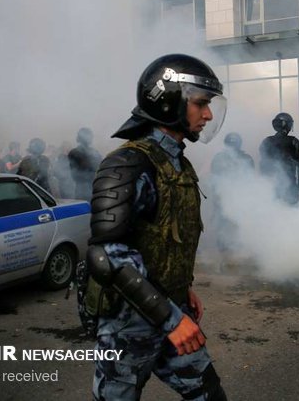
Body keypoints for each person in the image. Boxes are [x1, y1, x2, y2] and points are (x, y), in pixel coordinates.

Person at [82, 54, 228, 401]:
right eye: (200, 104)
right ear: (168, 102)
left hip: (171, 309)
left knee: (208, 394)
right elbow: (106, 255)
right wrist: (172, 319)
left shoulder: (176, 163)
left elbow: (166, 238)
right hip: (129, 325)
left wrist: (181, 287)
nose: (207, 115)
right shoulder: (128, 164)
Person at [209, 132, 254, 266]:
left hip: (232, 196)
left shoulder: (220, 158)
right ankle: (228, 253)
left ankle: (231, 252)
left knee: (230, 224)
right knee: (225, 223)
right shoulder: (245, 159)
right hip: (226, 196)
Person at [259, 112, 299, 204]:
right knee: (291, 211)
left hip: (271, 183)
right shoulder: (294, 141)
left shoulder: (266, 141)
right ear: (289, 125)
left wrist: (264, 182)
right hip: (290, 183)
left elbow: (263, 163)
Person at [68, 127, 102, 201]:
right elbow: (74, 175)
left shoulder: (95, 152)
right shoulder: (74, 152)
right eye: (88, 136)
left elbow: (100, 167)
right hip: (82, 188)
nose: (90, 138)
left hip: (94, 186)